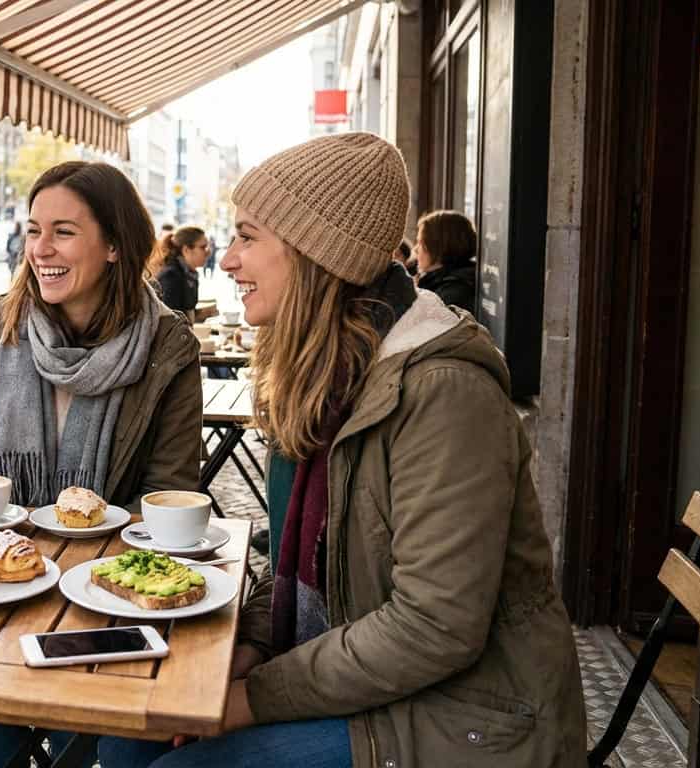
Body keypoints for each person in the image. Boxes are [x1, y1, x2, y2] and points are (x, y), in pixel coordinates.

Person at [99, 132, 585, 768]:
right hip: (373, 680)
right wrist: (248, 646)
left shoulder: (444, 392)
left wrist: (248, 697)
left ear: (313, 255)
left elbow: (433, 628)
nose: (229, 260)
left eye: (248, 237)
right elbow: (302, 557)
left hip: (470, 718)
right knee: (128, 738)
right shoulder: (324, 374)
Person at [0, 161, 201, 768]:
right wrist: (12, 558)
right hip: (2, 587)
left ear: (114, 245)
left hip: (111, 593)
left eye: (63, 231)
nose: (41, 250)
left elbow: (168, 494)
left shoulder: (167, 347)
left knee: (121, 749)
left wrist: (79, 572)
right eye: (33, 231)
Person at [412, 209, 478, 313]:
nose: (415, 249)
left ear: (437, 246)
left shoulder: (453, 293)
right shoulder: (442, 282)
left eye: (421, 243)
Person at [149, 225, 208, 320]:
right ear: (186, 250)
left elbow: (184, 311)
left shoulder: (189, 274)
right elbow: (171, 318)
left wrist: (203, 313)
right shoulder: (171, 277)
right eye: (203, 247)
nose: (208, 252)